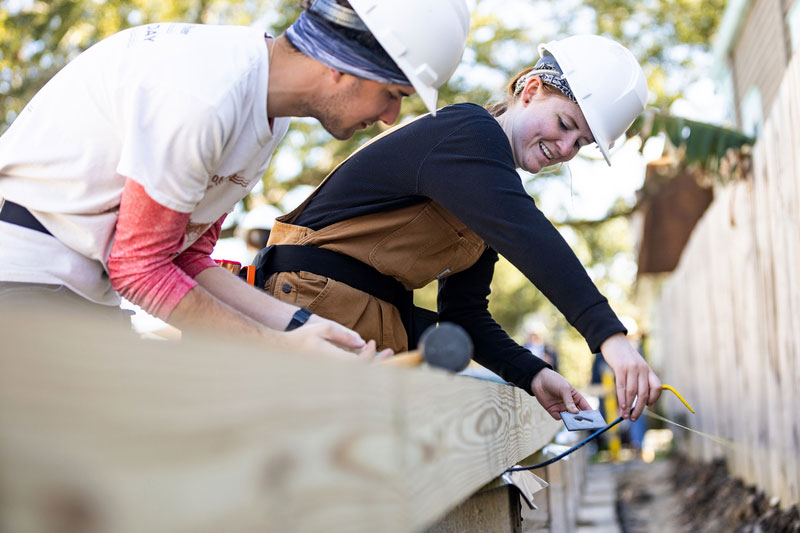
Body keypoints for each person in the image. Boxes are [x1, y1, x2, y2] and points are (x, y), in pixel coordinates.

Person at [0, 0, 470, 358]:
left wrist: (301, 324)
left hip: (79, 288)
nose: (391, 117)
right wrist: (279, 348)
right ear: (344, 63)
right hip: (22, 276)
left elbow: (186, 256)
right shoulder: (206, 95)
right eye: (392, 94)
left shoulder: (268, 114)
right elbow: (140, 269)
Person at [250, 34, 662, 420]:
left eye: (582, 144)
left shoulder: (485, 196)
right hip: (312, 300)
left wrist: (533, 373)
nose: (566, 149)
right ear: (531, 90)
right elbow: (529, 236)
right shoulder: (468, 132)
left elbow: (464, 315)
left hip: (372, 324)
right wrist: (610, 337)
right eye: (566, 125)